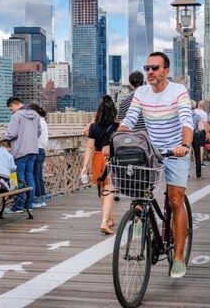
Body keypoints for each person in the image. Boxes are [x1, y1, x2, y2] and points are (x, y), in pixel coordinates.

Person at [119, 51, 193, 279]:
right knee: (139, 193)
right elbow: (130, 120)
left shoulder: (178, 91)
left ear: (166, 71)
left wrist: (184, 145)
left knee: (175, 199)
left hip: (175, 150)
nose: (150, 72)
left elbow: (186, 120)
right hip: (151, 151)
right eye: (147, 68)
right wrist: (117, 139)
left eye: (155, 68)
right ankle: (140, 221)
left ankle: (178, 257)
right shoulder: (141, 92)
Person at [80, 95, 120, 235]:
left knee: (103, 189)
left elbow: (89, 147)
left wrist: (84, 167)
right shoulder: (117, 126)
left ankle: (109, 218)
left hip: (97, 158)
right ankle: (104, 220)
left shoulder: (93, 127)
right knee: (109, 189)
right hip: (111, 159)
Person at [3, 97, 41, 213]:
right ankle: (29, 204)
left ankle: (19, 205)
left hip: (20, 151)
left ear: (14, 105)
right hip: (33, 150)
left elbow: (11, 134)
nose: (11, 110)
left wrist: (3, 134)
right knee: (30, 177)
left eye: (10, 108)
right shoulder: (35, 114)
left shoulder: (16, 116)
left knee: (20, 178)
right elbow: (39, 132)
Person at [29, 103, 48, 208]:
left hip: (36, 149)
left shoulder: (37, 121)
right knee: (39, 175)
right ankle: (42, 198)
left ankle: (37, 199)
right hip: (42, 150)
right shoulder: (43, 120)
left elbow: (33, 135)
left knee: (35, 175)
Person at [191, 100, 204, 179]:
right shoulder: (197, 116)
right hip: (195, 136)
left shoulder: (185, 115)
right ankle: (198, 174)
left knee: (186, 156)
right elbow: (200, 128)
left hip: (186, 136)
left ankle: (185, 174)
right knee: (197, 155)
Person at [194, 101, 209, 166]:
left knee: (194, 147)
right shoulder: (204, 113)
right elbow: (205, 124)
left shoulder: (193, 111)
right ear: (203, 106)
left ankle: (195, 163)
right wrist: (207, 133)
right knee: (201, 147)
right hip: (201, 131)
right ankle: (200, 162)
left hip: (193, 130)